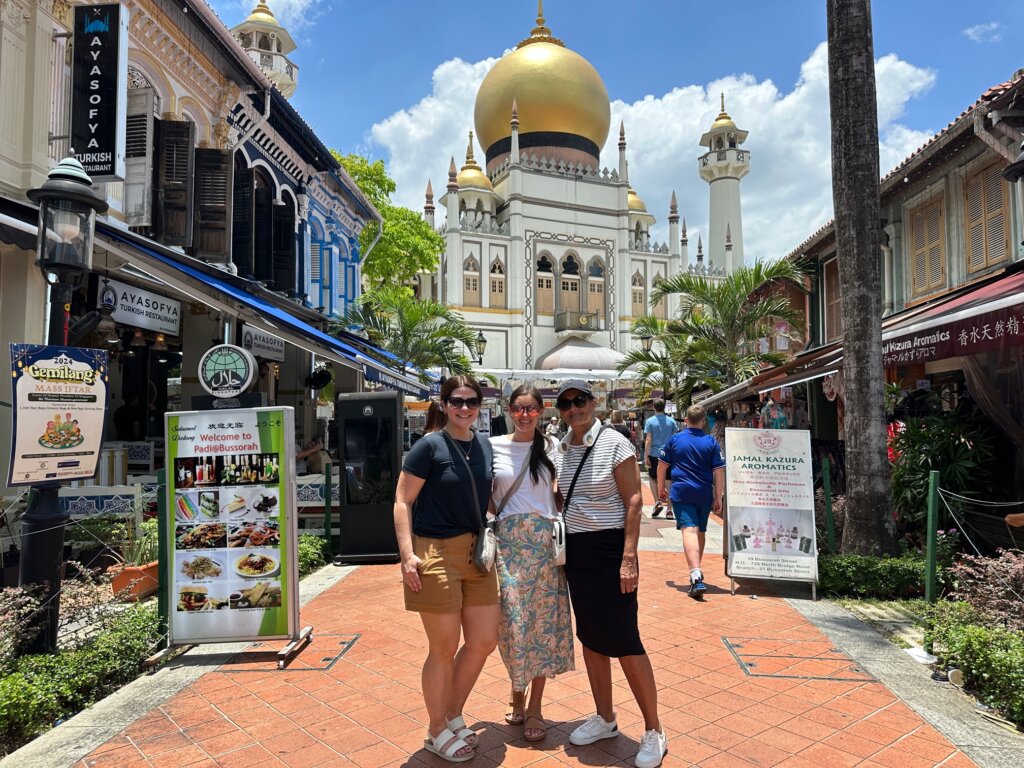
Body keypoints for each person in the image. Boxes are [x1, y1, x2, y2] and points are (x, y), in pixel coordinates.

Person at [555, 379, 667, 768]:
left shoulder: (615, 442)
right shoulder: (564, 447)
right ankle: (605, 717)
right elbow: (561, 495)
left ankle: (654, 729)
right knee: (590, 636)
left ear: (593, 402)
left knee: (624, 639)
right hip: (577, 551)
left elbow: (634, 500)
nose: (574, 408)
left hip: (609, 549)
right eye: (566, 403)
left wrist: (629, 557)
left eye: (580, 400)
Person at [393, 376, 498, 763]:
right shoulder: (429, 447)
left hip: (476, 554)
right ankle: (436, 728)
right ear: (444, 403)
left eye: (472, 402)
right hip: (435, 552)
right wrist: (407, 555)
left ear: (479, 405)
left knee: (484, 640)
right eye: (457, 401)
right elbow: (402, 501)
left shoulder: (484, 444)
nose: (465, 408)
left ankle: (451, 712)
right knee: (442, 648)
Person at [491, 385, 572, 742]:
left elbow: (561, 494)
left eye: (532, 410)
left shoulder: (553, 447)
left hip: (544, 548)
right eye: (519, 409)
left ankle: (535, 705)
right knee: (512, 623)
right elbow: (486, 498)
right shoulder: (492, 447)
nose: (525, 415)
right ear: (510, 410)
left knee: (541, 625)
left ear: (542, 411)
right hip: (509, 547)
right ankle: (515, 691)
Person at [656, 404, 725, 599]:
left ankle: (695, 573)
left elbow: (662, 466)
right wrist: (718, 496)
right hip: (703, 493)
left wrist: (661, 489)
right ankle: (696, 569)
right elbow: (719, 471)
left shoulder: (675, 440)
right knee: (699, 531)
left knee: (689, 530)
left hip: (681, 492)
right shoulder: (711, 442)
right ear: (704, 421)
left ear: (686, 420)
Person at [643, 400, 678, 517]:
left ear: (654, 407)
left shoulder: (649, 421)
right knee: (669, 481)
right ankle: (669, 509)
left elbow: (648, 439)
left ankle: (657, 501)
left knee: (653, 478)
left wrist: (645, 455)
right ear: (664, 408)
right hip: (668, 455)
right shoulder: (672, 421)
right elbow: (675, 439)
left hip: (654, 454)